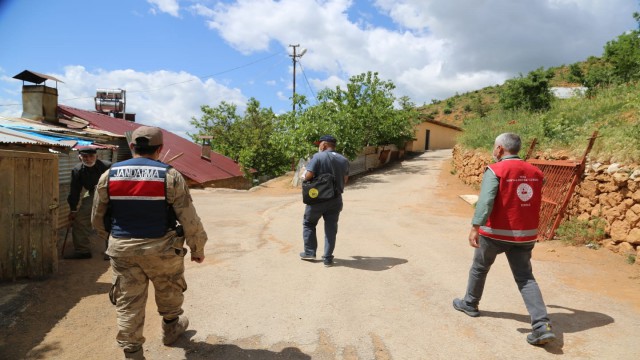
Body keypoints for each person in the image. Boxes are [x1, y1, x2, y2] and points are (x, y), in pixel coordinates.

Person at [91, 126, 208, 359]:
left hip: (122, 249)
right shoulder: (170, 175)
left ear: (132, 147)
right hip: (162, 248)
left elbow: (97, 217)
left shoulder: (109, 174)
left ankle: (133, 352)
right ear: (160, 149)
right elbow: (188, 217)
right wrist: (197, 248)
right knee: (169, 288)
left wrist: (111, 240)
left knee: (128, 302)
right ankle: (171, 327)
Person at [452, 132, 556, 346]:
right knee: (526, 278)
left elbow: (486, 200)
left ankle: (470, 304)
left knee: (479, 268)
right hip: (525, 235)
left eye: (494, 147)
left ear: (499, 149)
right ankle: (541, 325)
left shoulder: (496, 169)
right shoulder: (536, 172)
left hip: (495, 234)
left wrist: (475, 227)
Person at [300, 135, 350, 267]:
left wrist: (303, 175)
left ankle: (310, 252)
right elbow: (345, 180)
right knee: (331, 228)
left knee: (309, 223)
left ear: (324, 145)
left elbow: (308, 176)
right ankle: (328, 258)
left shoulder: (318, 156)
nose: (319, 146)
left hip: (318, 199)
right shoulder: (344, 160)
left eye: (319, 144)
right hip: (336, 199)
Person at [66, 146, 111, 260]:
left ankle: (111, 252)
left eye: (91, 156)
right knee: (80, 220)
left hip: (110, 192)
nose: (88, 159)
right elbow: (75, 190)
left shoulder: (108, 166)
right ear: (79, 157)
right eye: (85, 156)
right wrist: (73, 209)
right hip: (93, 193)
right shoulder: (77, 170)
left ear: (97, 156)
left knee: (110, 219)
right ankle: (82, 250)